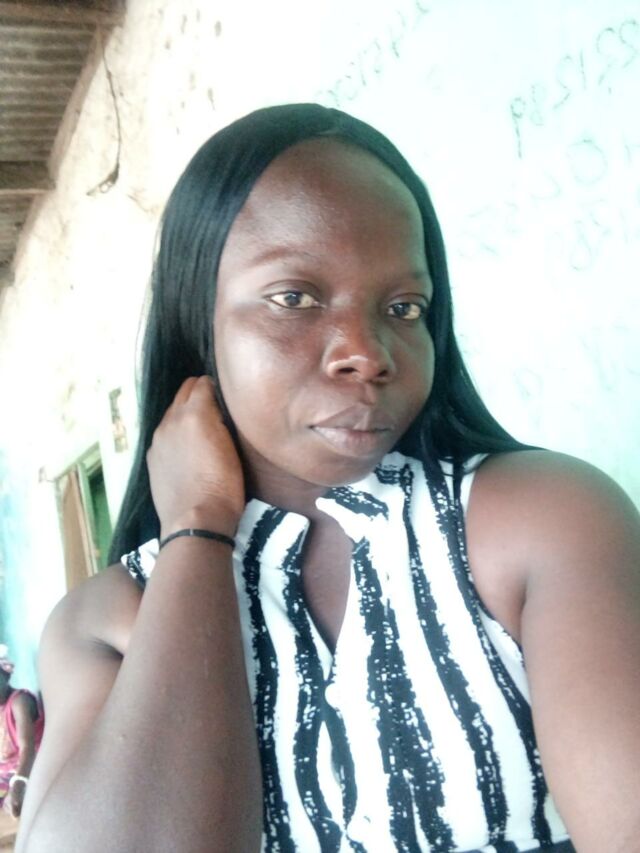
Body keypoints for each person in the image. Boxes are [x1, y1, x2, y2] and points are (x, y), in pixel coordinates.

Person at [16, 104, 640, 853]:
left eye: (404, 307)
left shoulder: (538, 520)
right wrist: (197, 529)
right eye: (294, 298)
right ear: (199, 321)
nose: (367, 353)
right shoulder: (106, 619)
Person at [0, 649, 43, 820]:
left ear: (6, 675)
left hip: (29, 768)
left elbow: (28, 749)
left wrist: (18, 784)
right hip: (6, 772)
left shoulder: (20, 701)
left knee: (20, 803)